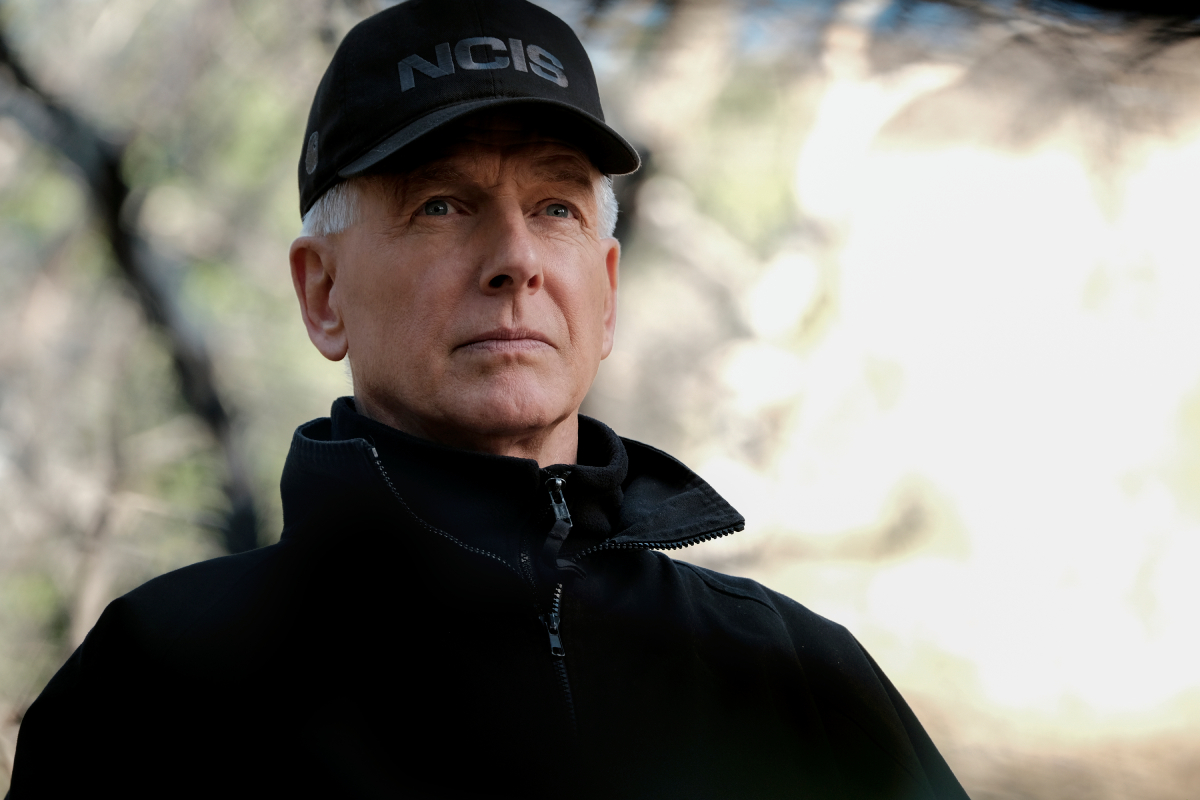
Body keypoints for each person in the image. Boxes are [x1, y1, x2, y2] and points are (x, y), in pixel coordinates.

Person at [8, 0, 970, 797]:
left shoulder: (791, 673)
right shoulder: (157, 685)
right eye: (441, 205)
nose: (515, 259)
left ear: (606, 294)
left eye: (555, 208)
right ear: (323, 294)